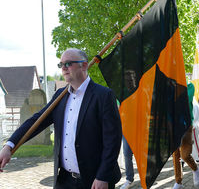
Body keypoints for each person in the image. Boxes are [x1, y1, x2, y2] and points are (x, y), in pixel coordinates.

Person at [0, 48, 122, 189]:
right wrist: (9, 145)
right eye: (61, 64)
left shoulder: (103, 95)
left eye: (68, 63)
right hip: (64, 180)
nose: (63, 68)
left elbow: (112, 140)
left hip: (94, 180)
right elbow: (37, 121)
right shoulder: (60, 95)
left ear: (84, 65)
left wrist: (103, 176)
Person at [172, 83, 199, 189]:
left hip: (185, 125)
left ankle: (195, 168)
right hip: (173, 124)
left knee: (185, 155)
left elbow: (184, 100)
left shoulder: (189, 85)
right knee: (175, 155)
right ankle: (178, 181)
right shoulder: (169, 85)